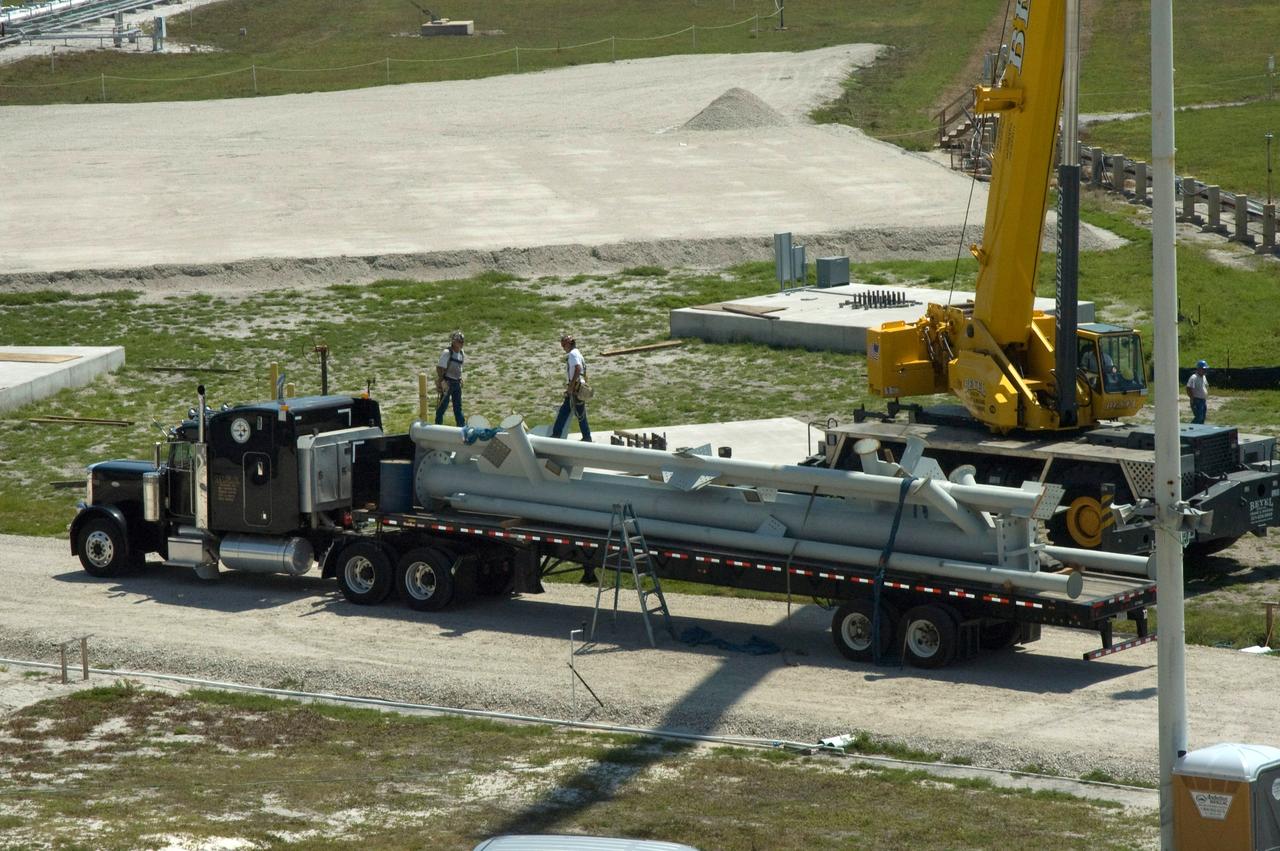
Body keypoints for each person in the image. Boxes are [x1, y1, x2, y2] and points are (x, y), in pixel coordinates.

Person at [552, 334, 591, 442]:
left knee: (564, 412)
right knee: (580, 414)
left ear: (568, 344)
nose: (563, 348)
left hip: (575, 389)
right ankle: (587, 437)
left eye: (564, 345)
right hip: (579, 388)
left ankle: (556, 435)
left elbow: (578, 369)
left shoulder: (573, 354)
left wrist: (571, 386)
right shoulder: (577, 353)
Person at [435, 330, 466, 427]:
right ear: (453, 341)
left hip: (457, 383)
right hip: (447, 382)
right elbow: (439, 368)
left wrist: (460, 378)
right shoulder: (447, 352)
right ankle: (438, 426)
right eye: (459, 341)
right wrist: (442, 381)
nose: (461, 343)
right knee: (443, 406)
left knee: (458, 407)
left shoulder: (461, 353)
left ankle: (461, 427)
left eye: (462, 341)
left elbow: (459, 367)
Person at [1186, 359, 1209, 424]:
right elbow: (1188, 388)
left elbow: (1205, 386)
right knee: (1199, 417)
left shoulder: (1204, 377)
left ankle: (1199, 432)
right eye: (1203, 369)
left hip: (1203, 400)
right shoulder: (1194, 377)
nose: (1205, 370)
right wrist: (1192, 399)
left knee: (1203, 417)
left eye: (1206, 369)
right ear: (1199, 369)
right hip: (1197, 400)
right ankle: (1190, 429)